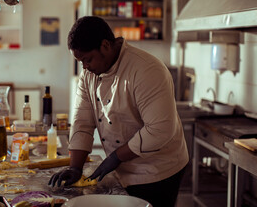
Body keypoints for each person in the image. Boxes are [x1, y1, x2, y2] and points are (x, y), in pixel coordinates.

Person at [48, 16, 189, 207]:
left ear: (105, 45)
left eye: (88, 59)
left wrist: (115, 157)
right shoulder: (88, 74)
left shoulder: (146, 70)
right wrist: (75, 166)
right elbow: (83, 121)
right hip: (124, 166)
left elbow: (160, 130)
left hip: (158, 169)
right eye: (80, 62)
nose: (85, 67)